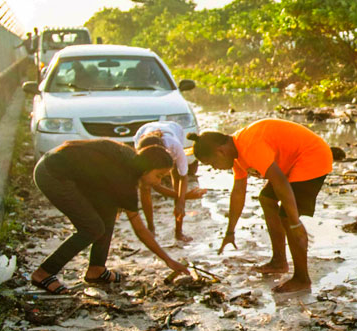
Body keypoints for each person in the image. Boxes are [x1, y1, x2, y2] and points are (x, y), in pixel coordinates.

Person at [188, 119, 332, 295]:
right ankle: (279, 261)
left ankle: (302, 279)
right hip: (291, 162)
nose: (215, 168)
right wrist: (230, 232)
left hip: (312, 156)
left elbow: (279, 181)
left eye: (212, 163)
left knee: (286, 216)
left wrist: (294, 222)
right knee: (266, 199)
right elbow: (238, 193)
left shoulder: (249, 146)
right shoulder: (237, 154)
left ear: (220, 151)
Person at [29, 138, 188, 293]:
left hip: (67, 169)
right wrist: (168, 260)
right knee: (92, 228)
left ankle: (96, 269)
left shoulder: (131, 160)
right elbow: (140, 230)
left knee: (110, 210)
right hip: (52, 174)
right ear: (146, 169)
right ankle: (44, 273)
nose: (158, 183)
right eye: (158, 176)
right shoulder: (123, 181)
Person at [132, 121, 194, 242]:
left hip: (174, 129)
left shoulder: (175, 146)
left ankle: (179, 232)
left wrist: (181, 201)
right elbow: (152, 184)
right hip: (143, 131)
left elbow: (183, 177)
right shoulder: (141, 145)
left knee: (176, 176)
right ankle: (151, 229)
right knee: (145, 186)